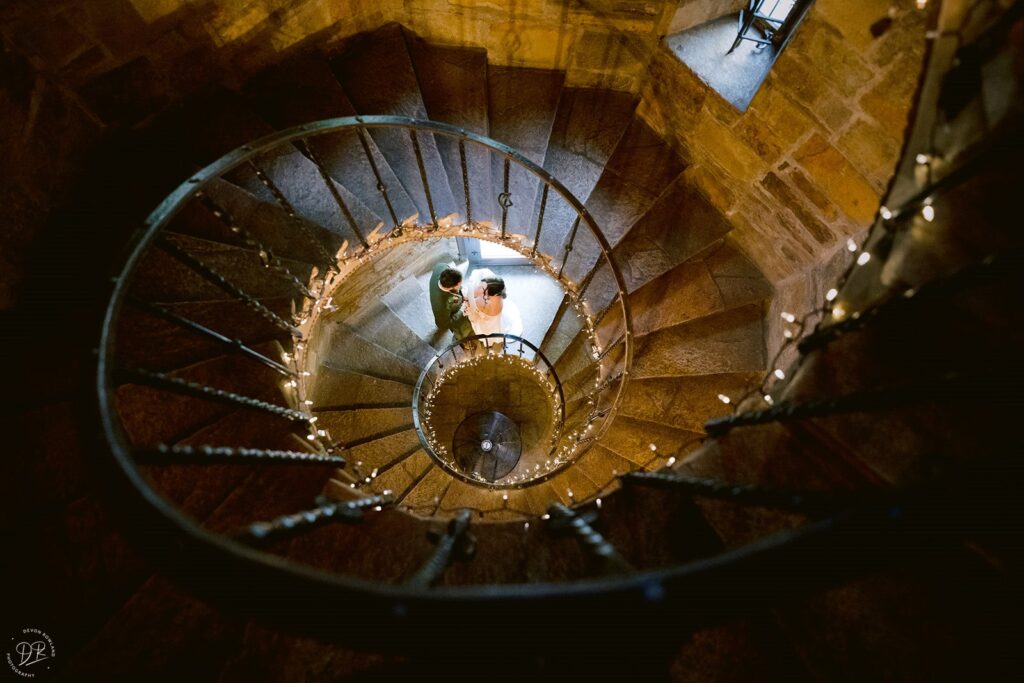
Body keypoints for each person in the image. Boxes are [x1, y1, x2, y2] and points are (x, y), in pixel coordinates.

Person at [463, 269, 523, 343]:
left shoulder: (481, 302)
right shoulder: (498, 295)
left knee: (486, 334)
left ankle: (489, 342)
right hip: (495, 321)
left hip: (485, 324)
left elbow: (473, 318)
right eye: (481, 284)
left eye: (482, 288)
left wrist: (468, 301)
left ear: (488, 293)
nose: (478, 286)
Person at [428, 263, 474, 341]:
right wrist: (462, 309)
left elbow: (440, 265)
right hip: (449, 316)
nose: (461, 285)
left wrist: (462, 297)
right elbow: (443, 325)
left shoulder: (441, 267)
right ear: (452, 287)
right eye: (460, 284)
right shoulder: (441, 305)